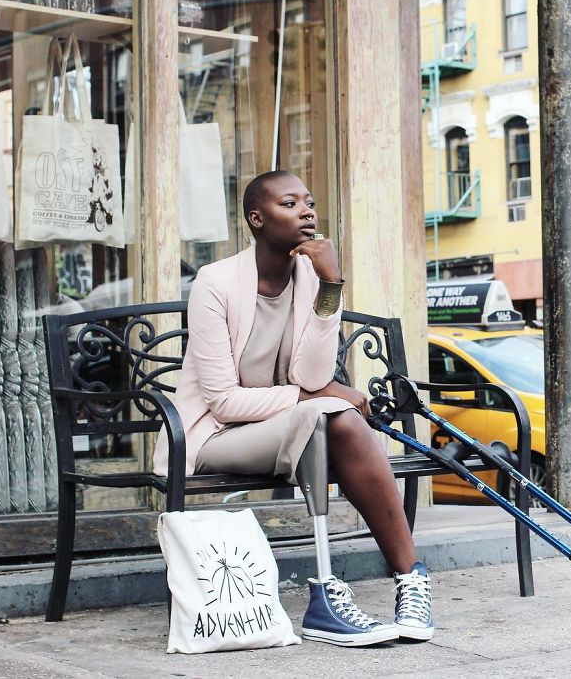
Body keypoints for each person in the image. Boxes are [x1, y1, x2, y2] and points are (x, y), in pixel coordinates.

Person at [154, 170, 433, 647]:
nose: (307, 211)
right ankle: (329, 596)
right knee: (333, 414)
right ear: (257, 219)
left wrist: (331, 285)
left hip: (283, 424)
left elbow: (311, 372)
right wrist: (315, 399)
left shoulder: (308, 278)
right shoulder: (214, 283)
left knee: (334, 418)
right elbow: (224, 401)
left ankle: (410, 583)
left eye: (309, 202)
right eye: (290, 204)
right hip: (212, 436)